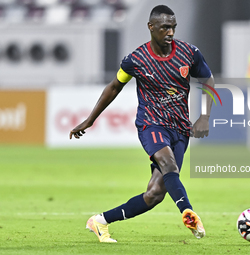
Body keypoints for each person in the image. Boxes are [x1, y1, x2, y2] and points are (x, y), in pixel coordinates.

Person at [69, 4, 215, 243]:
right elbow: (114, 86)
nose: (170, 33)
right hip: (151, 125)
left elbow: (208, 79)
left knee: (155, 194)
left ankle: (99, 221)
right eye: (165, 27)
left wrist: (205, 116)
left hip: (180, 128)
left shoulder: (189, 53)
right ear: (151, 27)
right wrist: (89, 119)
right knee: (168, 164)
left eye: (173, 28)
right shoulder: (136, 60)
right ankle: (188, 212)